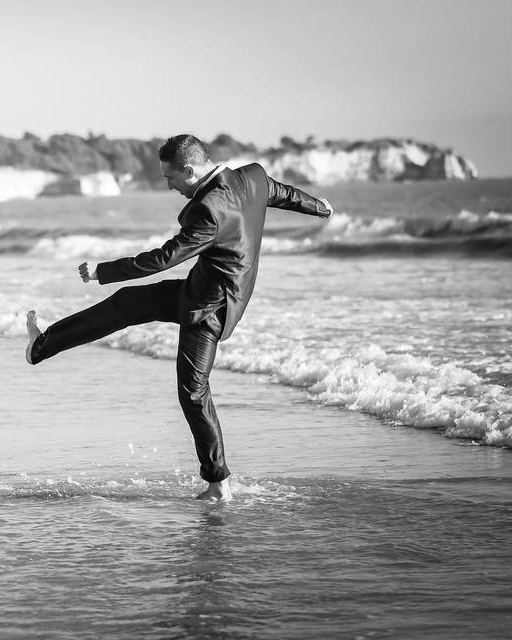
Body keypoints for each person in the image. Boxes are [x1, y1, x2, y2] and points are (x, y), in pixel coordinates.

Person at [25, 134, 333, 501]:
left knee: (192, 391)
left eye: (170, 177)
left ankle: (218, 483)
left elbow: (163, 258)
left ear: (189, 169)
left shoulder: (210, 210)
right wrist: (321, 208)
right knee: (126, 304)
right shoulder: (252, 176)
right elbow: (283, 193)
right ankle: (43, 344)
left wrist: (100, 271)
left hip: (208, 308)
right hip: (201, 290)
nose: (168, 185)